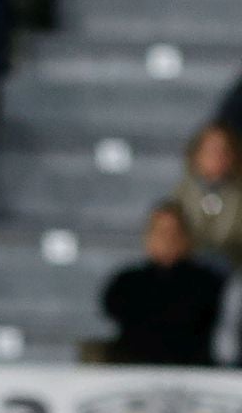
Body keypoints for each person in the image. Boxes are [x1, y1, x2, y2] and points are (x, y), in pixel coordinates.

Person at [101, 204, 226, 367]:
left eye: (174, 232)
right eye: (160, 232)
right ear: (148, 237)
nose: (168, 239)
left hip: (194, 374)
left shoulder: (210, 284)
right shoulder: (126, 283)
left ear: (188, 237)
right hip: (133, 372)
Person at [173, 124, 242, 272]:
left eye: (223, 150)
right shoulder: (180, 194)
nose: (217, 156)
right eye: (210, 150)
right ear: (196, 154)